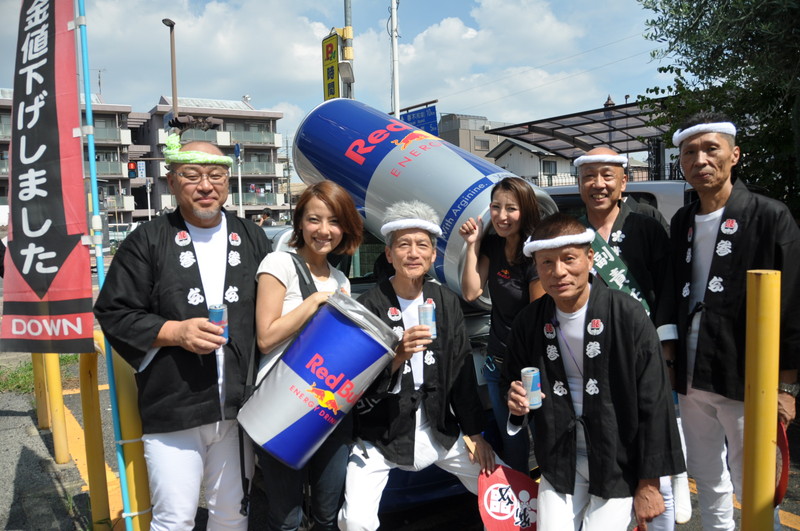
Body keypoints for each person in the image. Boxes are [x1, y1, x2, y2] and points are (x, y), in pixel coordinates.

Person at [94, 135, 270, 530]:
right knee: (174, 518)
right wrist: (174, 331)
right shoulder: (147, 239)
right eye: (192, 175)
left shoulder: (252, 237)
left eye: (215, 176)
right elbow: (113, 310)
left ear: (227, 182)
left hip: (240, 406)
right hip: (176, 404)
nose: (205, 185)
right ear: (172, 182)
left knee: (233, 512)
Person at [504, 213, 685, 531]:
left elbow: (655, 402)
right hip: (559, 458)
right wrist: (515, 402)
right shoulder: (529, 322)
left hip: (616, 459)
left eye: (568, 259)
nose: (558, 272)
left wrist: (650, 483)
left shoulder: (627, 314)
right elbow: (512, 381)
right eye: (546, 263)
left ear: (590, 258)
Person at [669, 112, 800, 530]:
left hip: (746, 374)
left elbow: (792, 304)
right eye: (690, 153)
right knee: (706, 474)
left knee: (755, 481)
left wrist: (786, 387)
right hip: (691, 374)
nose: (700, 160)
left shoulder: (770, 215)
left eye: (711, 149)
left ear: (735, 154)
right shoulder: (682, 220)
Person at [339, 200, 499, 531]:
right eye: (403, 245)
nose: (413, 253)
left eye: (422, 245)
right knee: (355, 520)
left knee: (501, 489)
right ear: (389, 254)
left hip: (437, 425)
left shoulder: (445, 301)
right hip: (381, 433)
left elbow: (461, 372)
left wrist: (474, 433)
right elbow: (354, 385)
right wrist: (398, 356)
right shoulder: (369, 305)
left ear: (433, 255)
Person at [574, 147, 685, 528]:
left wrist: (668, 352)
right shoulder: (574, 232)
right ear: (579, 183)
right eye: (589, 176)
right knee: (609, 443)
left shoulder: (646, 224)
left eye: (607, 175)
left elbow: (667, 288)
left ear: (624, 182)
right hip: (593, 353)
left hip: (645, 351)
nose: (598, 184)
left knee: (654, 443)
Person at [255, 181, 363, 531]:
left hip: (327, 404)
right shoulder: (279, 264)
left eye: (334, 221)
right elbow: (266, 338)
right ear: (299, 222)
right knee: (287, 519)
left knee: (327, 514)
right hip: (282, 404)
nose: (324, 230)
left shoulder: (341, 280)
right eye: (314, 219)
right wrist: (315, 301)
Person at [458, 176, 543, 472]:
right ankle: (521, 496)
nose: (502, 216)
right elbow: (471, 292)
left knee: (542, 438)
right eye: (496, 207)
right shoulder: (493, 246)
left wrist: (524, 368)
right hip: (497, 363)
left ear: (526, 210)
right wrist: (473, 244)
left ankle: (549, 494)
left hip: (529, 365)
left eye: (511, 208)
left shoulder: (535, 253)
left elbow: (538, 317)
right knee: (512, 441)